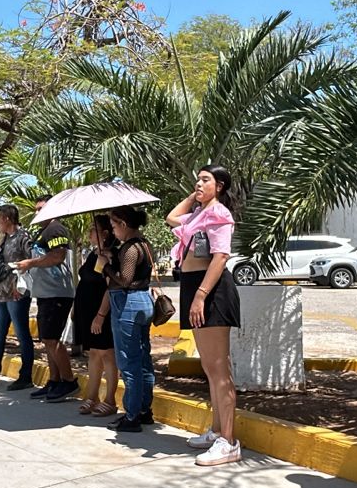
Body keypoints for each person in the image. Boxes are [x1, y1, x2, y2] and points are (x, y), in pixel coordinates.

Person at [166, 163, 244, 466]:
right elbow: (171, 217)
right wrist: (196, 194)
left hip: (210, 292)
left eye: (205, 180)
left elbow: (221, 256)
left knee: (219, 370)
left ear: (220, 186)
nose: (198, 184)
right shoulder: (199, 214)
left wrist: (201, 295)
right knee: (210, 369)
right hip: (193, 288)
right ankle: (216, 431)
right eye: (197, 179)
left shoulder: (220, 215)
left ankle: (229, 440)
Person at [95, 206, 155, 433]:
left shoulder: (131, 248)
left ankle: (131, 415)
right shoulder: (145, 244)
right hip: (144, 301)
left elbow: (125, 280)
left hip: (128, 303)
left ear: (122, 224)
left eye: (113, 226)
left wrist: (106, 266)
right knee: (144, 360)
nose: (112, 231)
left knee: (129, 363)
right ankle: (144, 410)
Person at [15, 194, 78, 401]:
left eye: (41, 208)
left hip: (57, 292)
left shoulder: (55, 229)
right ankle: (54, 381)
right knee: (47, 339)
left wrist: (30, 263)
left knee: (52, 339)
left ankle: (68, 381)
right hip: (45, 292)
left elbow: (58, 256)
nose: (37, 212)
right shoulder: (44, 231)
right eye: (36, 209)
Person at [0, 205, 36, 390]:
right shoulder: (5, 239)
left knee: (22, 334)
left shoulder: (23, 237)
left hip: (16, 293)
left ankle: (26, 376)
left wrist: (18, 286)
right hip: (2, 293)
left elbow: (30, 263)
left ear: (7, 218)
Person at [74, 214, 120, 417]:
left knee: (107, 354)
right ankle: (91, 396)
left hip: (101, 311)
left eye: (93, 229)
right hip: (86, 310)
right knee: (93, 353)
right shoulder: (93, 253)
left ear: (105, 233)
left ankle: (110, 399)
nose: (89, 232)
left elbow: (110, 288)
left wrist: (100, 315)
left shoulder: (110, 256)